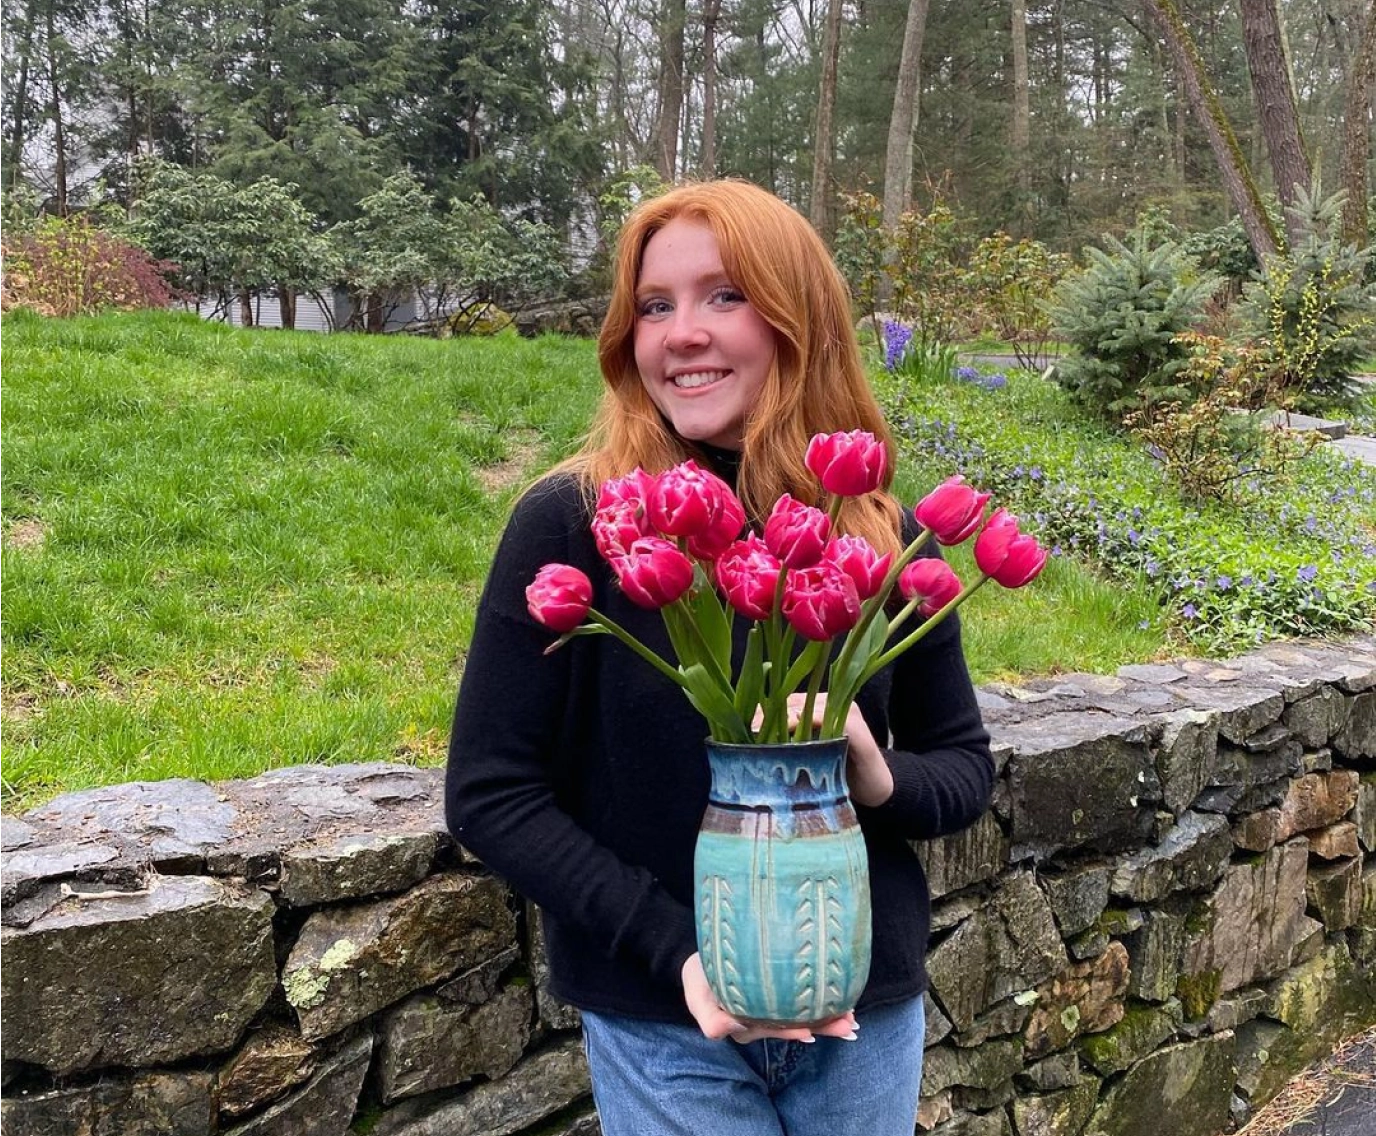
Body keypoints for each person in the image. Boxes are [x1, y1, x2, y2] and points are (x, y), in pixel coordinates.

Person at [445, 179, 994, 1136]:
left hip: (864, 1005)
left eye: (723, 296)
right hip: (664, 1018)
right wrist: (680, 955)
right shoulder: (579, 524)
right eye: (655, 306)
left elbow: (963, 771)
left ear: (800, 319)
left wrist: (871, 770)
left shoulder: (884, 536)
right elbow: (491, 793)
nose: (681, 333)